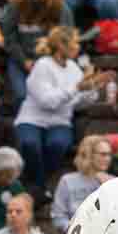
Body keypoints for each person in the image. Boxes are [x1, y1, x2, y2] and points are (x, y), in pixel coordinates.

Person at [14, 27, 106, 193]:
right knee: (30, 144)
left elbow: (77, 103)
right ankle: (38, 187)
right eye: (75, 43)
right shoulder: (43, 66)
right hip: (31, 120)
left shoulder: (73, 67)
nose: (78, 47)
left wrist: (93, 89)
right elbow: (47, 102)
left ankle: (38, 185)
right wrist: (77, 87)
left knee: (58, 144)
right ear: (62, 46)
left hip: (60, 121)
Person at [0, 0, 71, 105]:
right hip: (20, 60)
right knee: (21, 96)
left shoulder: (59, 5)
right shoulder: (16, 4)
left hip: (50, 61)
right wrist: (24, 61)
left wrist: (42, 62)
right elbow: (9, 37)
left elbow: (65, 37)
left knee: (47, 96)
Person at [51, 133, 113, 234]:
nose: (108, 159)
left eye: (109, 154)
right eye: (103, 154)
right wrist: (76, 232)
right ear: (88, 154)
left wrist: (107, 187)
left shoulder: (112, 182)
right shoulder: (67, 181)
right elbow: (58, 216)